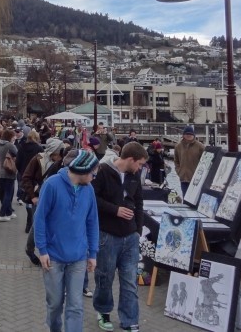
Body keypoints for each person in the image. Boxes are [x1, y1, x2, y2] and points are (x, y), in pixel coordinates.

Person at [35, 150, 100, 332]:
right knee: (55, 304)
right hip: (53, 257)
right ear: (83, 170)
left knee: (76, 305)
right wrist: (42, 250)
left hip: (78, 257)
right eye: (93, 174)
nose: (94, 178)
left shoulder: (89, 190)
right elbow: (39, 219)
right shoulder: (52, 185)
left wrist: (92, 253)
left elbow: (92, 222)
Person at [92, 141, 147, 332]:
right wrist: (115, 210)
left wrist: (138, 230)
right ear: (130, 159)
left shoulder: (134, 175)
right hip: (107, 235)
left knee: (130, 280)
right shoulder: (103, 172)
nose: (140, 168)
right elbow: (93, 198)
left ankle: (129, 319)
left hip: (130, 236)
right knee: (104, 277)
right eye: (139, 164)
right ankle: (103, 311)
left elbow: (139, 202)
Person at [22, 138, 65, 265]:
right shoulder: (38, 159)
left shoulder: (60, 163)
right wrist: (32, 196)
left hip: (53, 198)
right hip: (38, 197)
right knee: (37, 224)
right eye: (58, 153)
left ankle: (50, 252)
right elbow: (26, 177)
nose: (59, 156)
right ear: (53, 152)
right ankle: (30, 249)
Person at [0, 128, 18, 221]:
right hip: (9, 171)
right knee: (9, 194)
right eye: (13, 136)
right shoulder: (10, 145)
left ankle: (9, 212)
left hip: (1, 172)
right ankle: (2, 214)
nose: (14, 138)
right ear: (10, 137)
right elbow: (18, 155)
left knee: (4, 193)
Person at [174, 125, 205, 196]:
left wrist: (200, 175)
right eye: (187, 134)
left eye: (191, 134)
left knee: (195, 198)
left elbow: (205, 162)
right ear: (183, 135)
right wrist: (179, 171)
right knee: (185, 198)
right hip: (183, 179)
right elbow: (176, 161)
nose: (189, 136)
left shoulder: (200, 146)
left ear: (194, 135)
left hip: (196, 179)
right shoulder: (178, 146)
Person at [17, 128, 43, 206]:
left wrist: (21, 170)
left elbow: (17, 161)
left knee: (24, 189)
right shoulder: (39, 148)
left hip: (23, 172)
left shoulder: (22, 147)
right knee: (33, 192)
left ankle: (22, 200)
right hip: (35, 175)